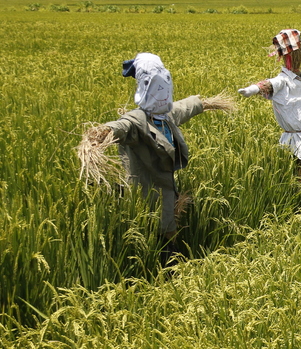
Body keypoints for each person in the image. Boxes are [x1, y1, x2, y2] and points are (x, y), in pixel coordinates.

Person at [77, 52, 234, 258]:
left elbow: (184, 107)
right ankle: (165, 265)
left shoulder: (166, 116)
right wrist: (98, 135)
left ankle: (169, 259)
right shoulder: (136, 121)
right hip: (146, 191)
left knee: (168, 227)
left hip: (166, 188)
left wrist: (205, 103)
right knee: (154, 231)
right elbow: (119, 127)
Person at [236, 29, 301, 196]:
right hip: (291, 136)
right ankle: (297, 199)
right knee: (291, 173)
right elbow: (268, 84)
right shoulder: (282, 81)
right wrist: (253, 89)